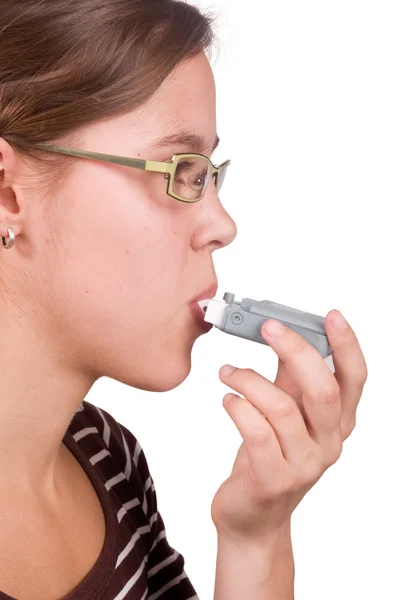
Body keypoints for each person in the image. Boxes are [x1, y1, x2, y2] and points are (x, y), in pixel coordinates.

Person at [0, 1, 368, 599]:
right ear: (8, 192)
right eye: (181, 170)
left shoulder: (108, 462)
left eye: (211, 176)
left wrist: (257, 536)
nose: (222, 224)